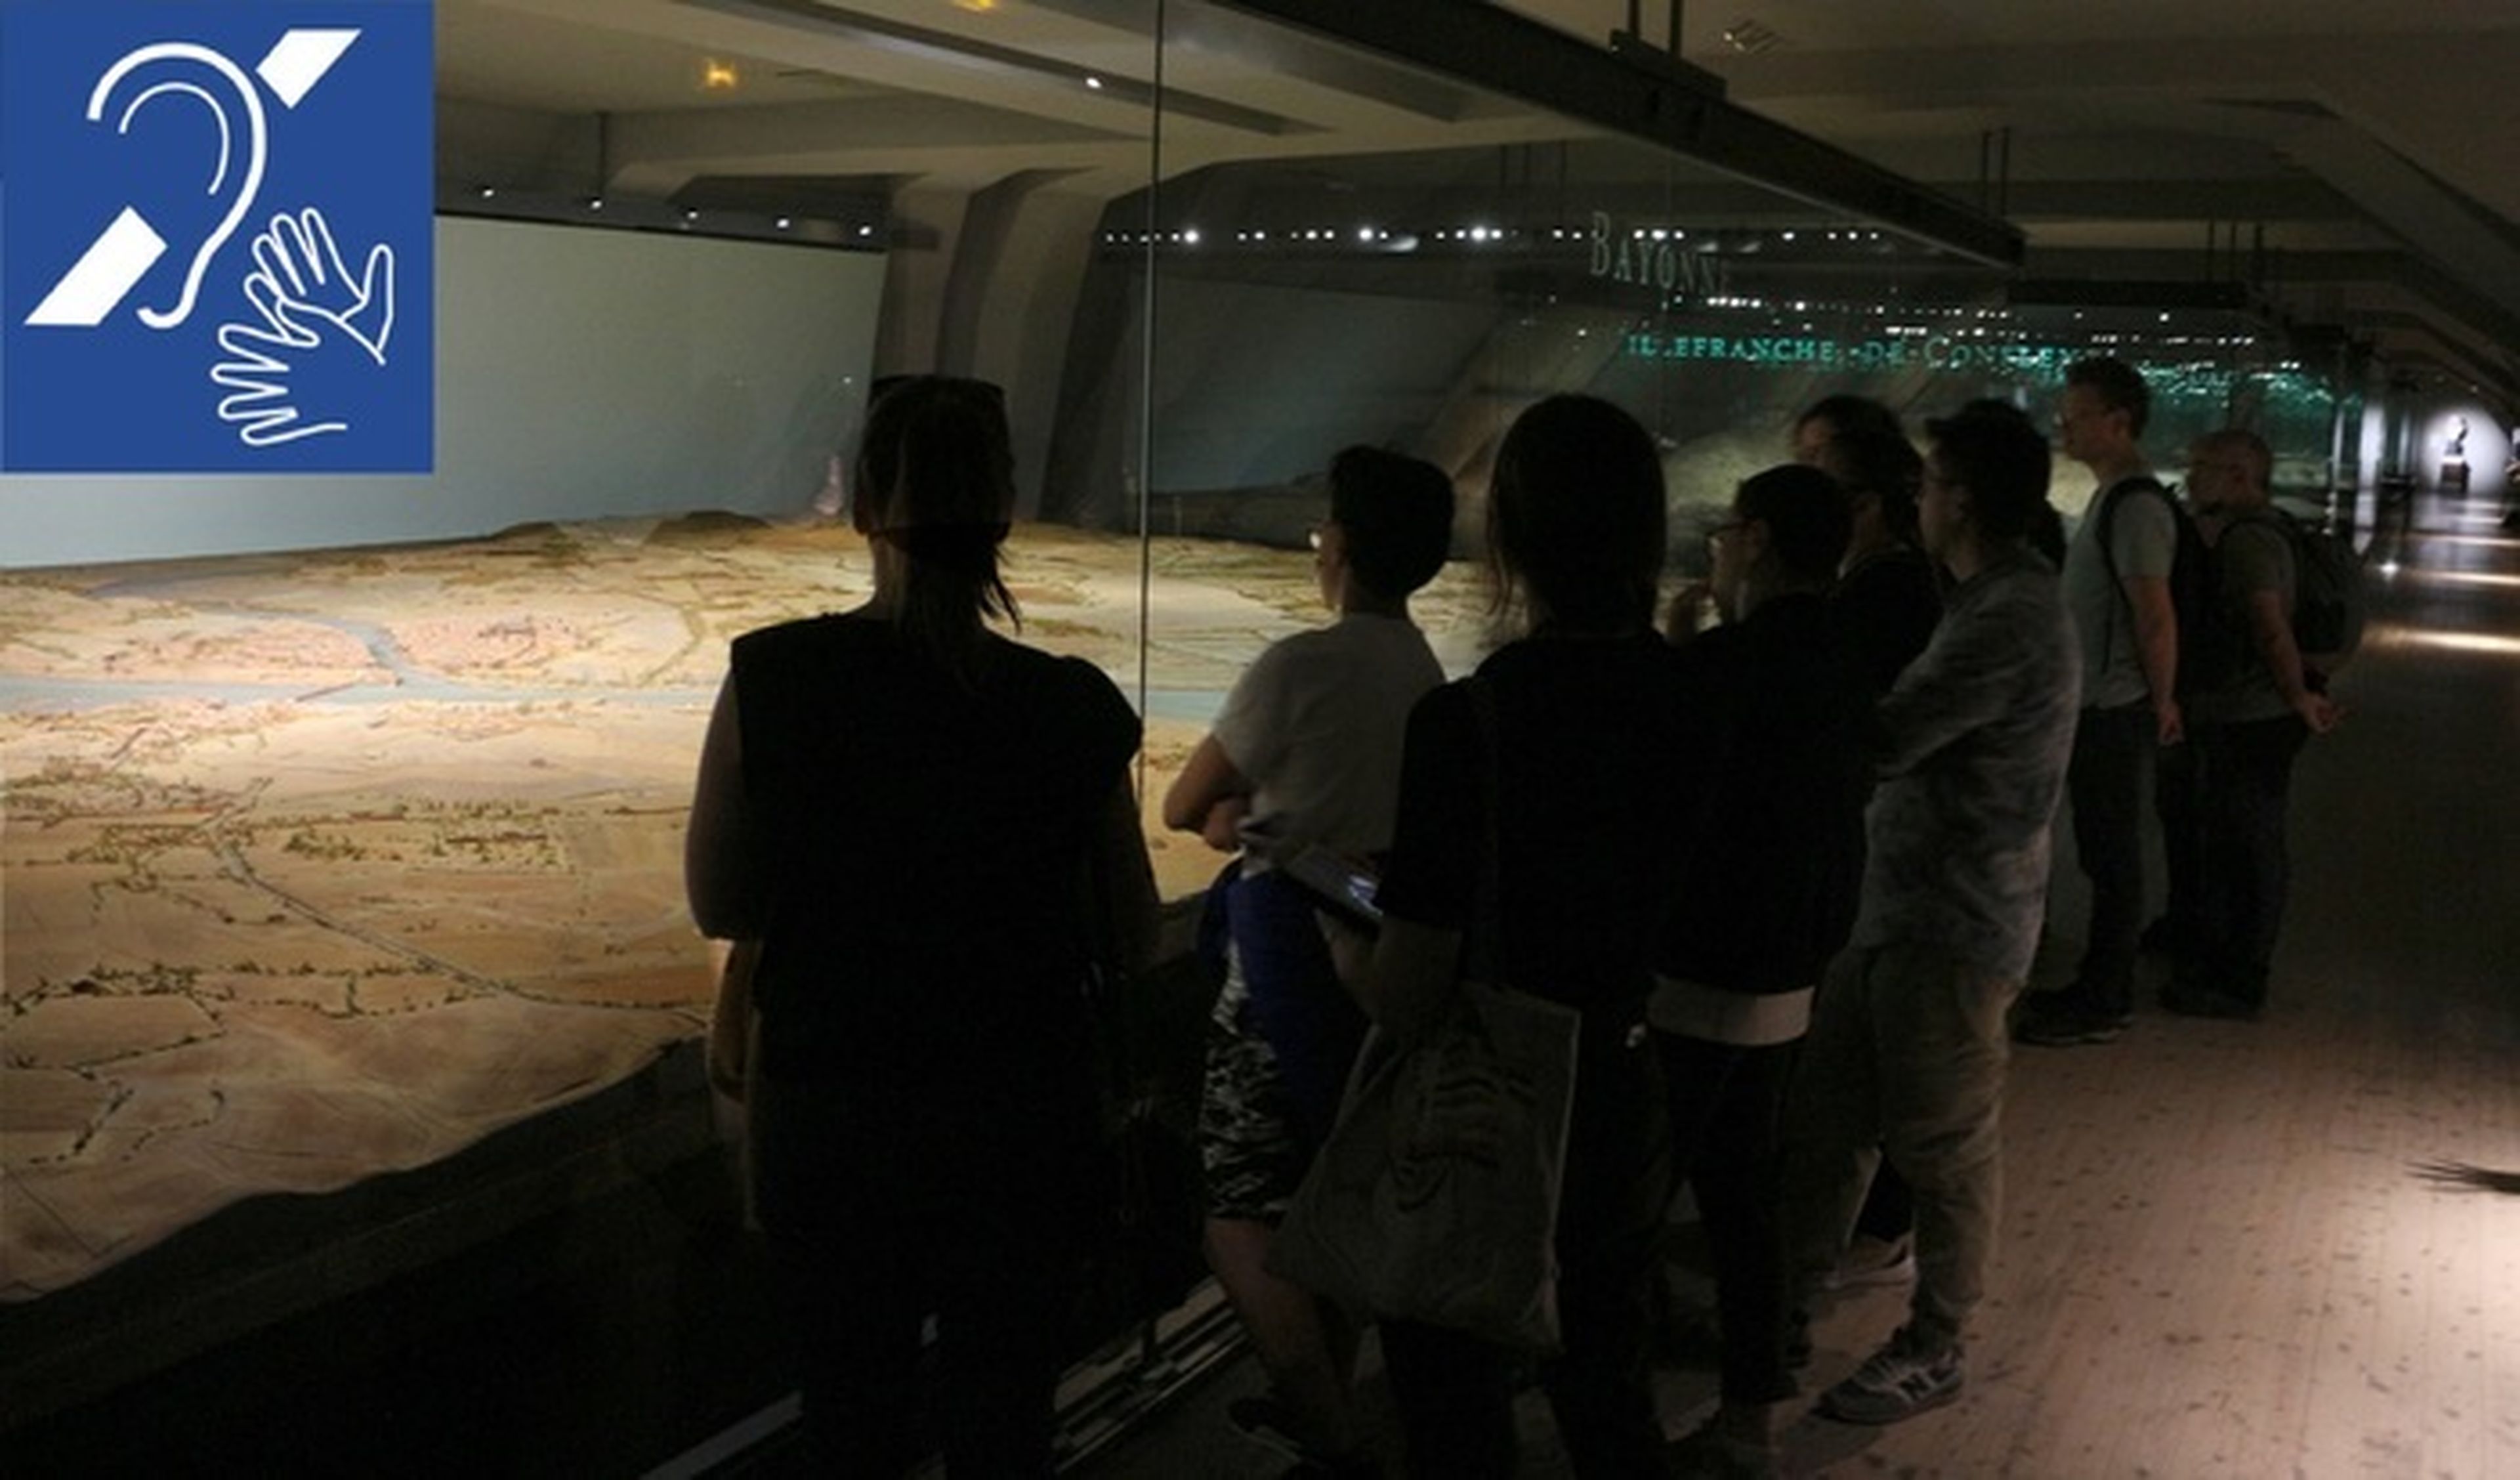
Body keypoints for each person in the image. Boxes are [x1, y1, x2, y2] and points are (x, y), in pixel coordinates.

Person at [684, 375, 1159, 1477]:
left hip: (836, 1113)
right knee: (1004, 1419)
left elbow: (724, 901)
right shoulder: (1069, 704)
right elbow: (1129, 933)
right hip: (1020, 1117)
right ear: (1003, 516)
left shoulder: (776, 676)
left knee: (853, 1417)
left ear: (863, 509)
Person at [1361, 394, 1689, 1478]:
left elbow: (1407, 991)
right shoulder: (1692, 701)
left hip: (1495, 1099)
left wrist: (1334, 936)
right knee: (1608, 1383)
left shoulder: (1469, 723)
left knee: (1451, 1390)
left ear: (1508, 536)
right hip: (1630, 1079)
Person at [1776, 399, 2080, 1426]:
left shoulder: (2007, 615)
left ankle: (1936, 1343)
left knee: (1946, 1150)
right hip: (1900, 912)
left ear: (1964, 499)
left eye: (1934, 482)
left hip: (1954, 925)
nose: (1920, 498)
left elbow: (1890, 736)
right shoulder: (1989, 597)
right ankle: (1781, 1309)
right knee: (1831, 1128)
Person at [1160, 446, 1456, 1477]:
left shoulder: (1297, 666)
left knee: (1238, 1210)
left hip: (1279, 959)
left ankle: (1330, 1430)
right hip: (1379, 954)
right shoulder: (1426, 674)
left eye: (1327, 523)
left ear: (1344, 545)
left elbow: (1184, 804)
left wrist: (1247, 813)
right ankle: (1323, 1391)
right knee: (1333, 1186)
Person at [1653, 464, 1870, 1478]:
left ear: (1762, 541)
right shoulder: (1846, 659)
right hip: (1792, 969)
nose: (1720, 547)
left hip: (1697, 972)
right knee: (1745, 1198)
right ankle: (1752, 1414)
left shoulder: (1724, 665)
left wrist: (1680, 644)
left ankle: (1613, 1406)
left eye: (1730, 531)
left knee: (1631, 1201)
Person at [2153, 430, 2342, 1019]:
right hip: (2260, 712)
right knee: (2243, 839)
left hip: (2250, 716)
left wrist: (2297, 696)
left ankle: (2238, 978)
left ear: (2239, 475)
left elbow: (2269, 627)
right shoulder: (2271, 527)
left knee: (2245, 844)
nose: (2190, 476)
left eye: (2202, 466)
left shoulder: (2248, 542)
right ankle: (2224, 958)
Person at [2017, 356, 2177, 1047]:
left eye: (2076, 416)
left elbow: (2154, 616)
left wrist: (2161, 701)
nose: (2065, 428)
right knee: (2103, 852)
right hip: (2101, 702)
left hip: (2114, 706)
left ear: (2119, 422)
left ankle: (2106, 998)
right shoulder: (2115, 498)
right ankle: (2098, 984)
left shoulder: (2135, 505)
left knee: (2112, 857)